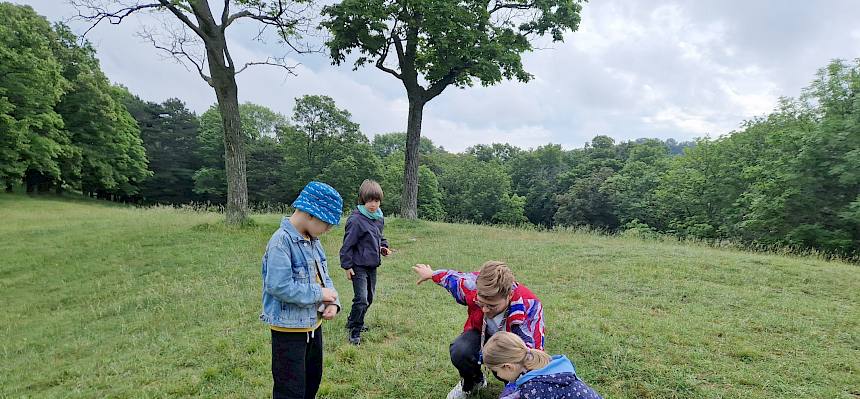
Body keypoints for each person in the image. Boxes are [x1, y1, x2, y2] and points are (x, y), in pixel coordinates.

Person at [412, 261, 545, 399]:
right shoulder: (472, 286)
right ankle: (474, 382)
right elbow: (453, 279)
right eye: (481, 303)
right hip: (480, 332)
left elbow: (532, 353)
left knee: (516, 365)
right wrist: (431, 274)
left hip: (511, 344)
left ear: (509, 295)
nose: (485, 310)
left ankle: (514, 388)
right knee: (461, 350)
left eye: (492, 305)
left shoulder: (530, 306)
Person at [260, 181, 343, 399]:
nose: (327, 230)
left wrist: (332, 302)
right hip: (289, 331)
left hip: (313, 326)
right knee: (290, 389)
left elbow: (324, 278)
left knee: (311, 381)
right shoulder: (281, 241)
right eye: (326, 224)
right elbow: (278, 285)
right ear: (310, 214)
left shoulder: (314, 241)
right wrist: (319, 295)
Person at [340, 179, 391, 345]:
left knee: (369, 298)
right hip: (358, 265)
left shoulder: (378, 218)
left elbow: (379, 236)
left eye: (376, 201)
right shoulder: (355, 220)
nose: (373, 204)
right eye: (369, 200)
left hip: (372, 265)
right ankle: (355, 330)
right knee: (361, 299)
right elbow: (347, 244)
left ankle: (352, 320)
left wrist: (383, 247)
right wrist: (347, 266)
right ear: (363, 200)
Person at [482, 332, 603, 399]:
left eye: (496, 371)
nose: (497, 375)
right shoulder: (540, 363)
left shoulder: (533, 389)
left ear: (508, 367)